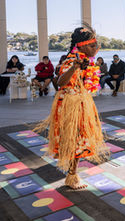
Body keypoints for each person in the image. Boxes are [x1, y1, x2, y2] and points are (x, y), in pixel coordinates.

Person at [34, 25, 107, 190]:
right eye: (92, 45)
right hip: (71, 104)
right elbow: (60, 82)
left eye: (97, 44)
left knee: (79, 138)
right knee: (76, 138)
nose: (96, 48)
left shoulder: (85, 59)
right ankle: (72, 176)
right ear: (81, 46)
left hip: (80, 101)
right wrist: (74, 67)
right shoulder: (72, 60)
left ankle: (72, 174)